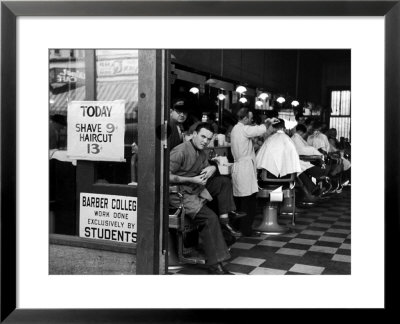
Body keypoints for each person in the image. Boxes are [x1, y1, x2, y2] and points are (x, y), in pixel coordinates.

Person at [169, 122, 243, 274]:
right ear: (194, 134)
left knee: (223, 182)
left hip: (196, 189)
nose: (205, 141)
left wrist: (213, 167)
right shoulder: (180, 151)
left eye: (208, 139)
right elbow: (165, 176)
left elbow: (206, 168)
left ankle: (226, 219)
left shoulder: (202, 152)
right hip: (179, 194)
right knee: (209, 218)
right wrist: (192, 180)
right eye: (202, 136)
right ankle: (215, 264)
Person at [230, 108, 278, 236]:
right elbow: (259, 129)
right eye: (250, 118)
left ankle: (238, 227)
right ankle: (246, 230)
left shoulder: (236, 129)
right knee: (248, 201)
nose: (251, 120)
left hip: (240, 167)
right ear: (245, 118)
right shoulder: (243, 129)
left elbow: (252, 137)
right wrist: (268, 122)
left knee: (240, 201)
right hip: (244, 168)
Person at [291, 124, 332, 198]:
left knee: (304, 168)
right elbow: (304, 150)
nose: (304, 136)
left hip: (301, 161)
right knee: (305, 169)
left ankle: (315, 188)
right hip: (299, 161)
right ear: (300, 132)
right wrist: (316, 153)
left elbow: (306, 149)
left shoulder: (296, 138)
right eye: (304, 134)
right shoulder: (296, 139)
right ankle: (314, 188)